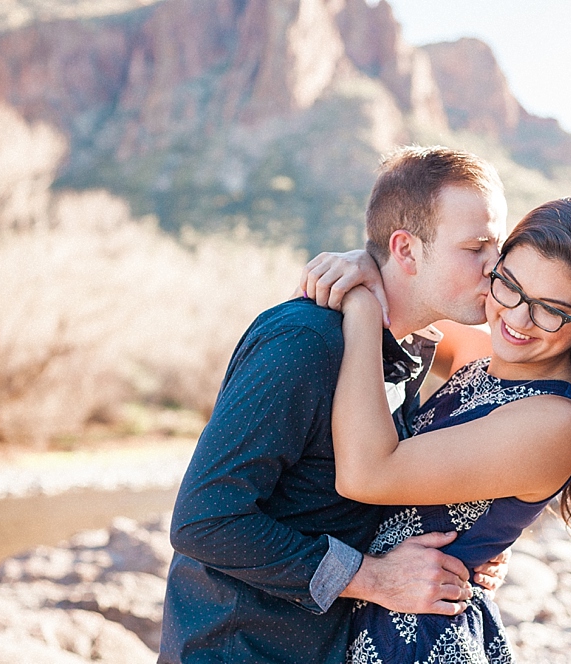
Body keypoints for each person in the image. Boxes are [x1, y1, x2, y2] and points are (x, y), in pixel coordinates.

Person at [158, 146, 512, 664]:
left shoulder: (408, 349)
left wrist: (467, 549)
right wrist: (376, 579)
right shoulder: (304, 341)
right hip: (239, 649)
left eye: (498, 246)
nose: (495, 267)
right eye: (476, 246)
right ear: (407, 250)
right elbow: (203, 520)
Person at [323, 197, 571, 663]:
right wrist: (366, 265)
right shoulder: (487, 356)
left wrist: (361, 307)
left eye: (550, 310)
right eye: (508, 285)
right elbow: (406, 296)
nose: (516, 318)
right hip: (369, 614)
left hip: (419, 640)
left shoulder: (555, 421)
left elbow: (365, 475)